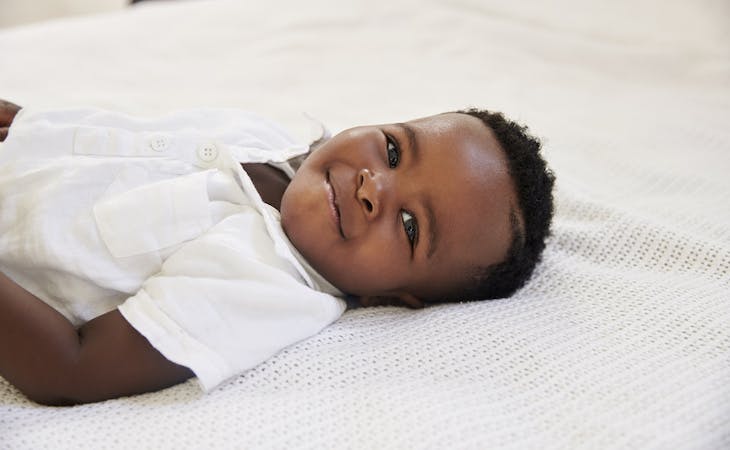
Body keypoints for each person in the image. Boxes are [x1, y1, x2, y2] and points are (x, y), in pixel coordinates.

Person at [0, 98, 554, 405]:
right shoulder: (261, 137)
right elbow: (123, 141)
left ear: (401, 296)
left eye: (411, 226)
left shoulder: (267, 283)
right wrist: (29, 123)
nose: (372, 186)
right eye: (392, 148)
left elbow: (69, 369)